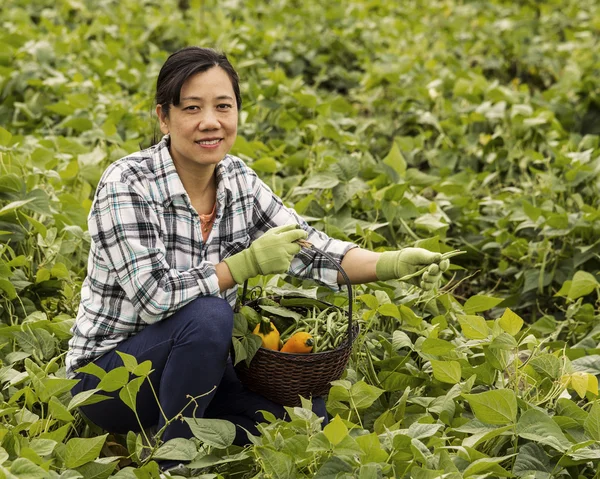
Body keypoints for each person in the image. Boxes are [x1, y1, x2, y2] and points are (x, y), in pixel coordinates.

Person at [67, 46, 449, 464]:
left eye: (223, 106)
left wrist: (393, 263)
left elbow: (312, 248)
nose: (210, 122)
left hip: (198, 363)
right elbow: (153, 296)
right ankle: (169, 460)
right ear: (164, 117)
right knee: (210, 314)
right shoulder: (128, 183)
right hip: (109, 379)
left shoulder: (239, 181)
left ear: (236, 113)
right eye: (192, 108)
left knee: (305, 418)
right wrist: (243, 265)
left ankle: (194, 433)